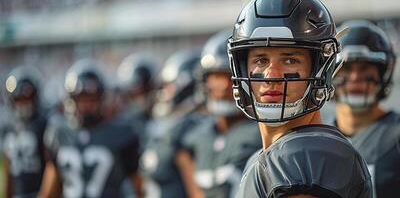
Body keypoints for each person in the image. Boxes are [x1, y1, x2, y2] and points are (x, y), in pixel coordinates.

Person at [227, 0, 372, 197]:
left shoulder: (306, 155)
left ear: (320, 68)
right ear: (242, 66)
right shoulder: (275, 154)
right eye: (261, 60)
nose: (272, 75)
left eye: (290, 60)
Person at [38, 59, 143, 198]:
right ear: (71, 99)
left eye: (92, 99)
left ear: (102, 99)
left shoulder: (122, 133)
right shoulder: (60, 132)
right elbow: (50, 188)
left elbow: (139, 187)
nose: (86, 105)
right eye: (81, 99)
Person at [176, 30, 262, 198]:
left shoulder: (262, 132)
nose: (223, 85)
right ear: (204, 81)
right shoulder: (194, 136)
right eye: (215, 76)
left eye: (230, 76)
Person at [333, 20, 400, 197]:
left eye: (365, 67)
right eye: (346, 67)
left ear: (383, 73)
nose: (355, 77)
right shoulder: (317, 137)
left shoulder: (396, 136)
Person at [140, 48, 203, 198]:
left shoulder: (189, 128)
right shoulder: (164, 126)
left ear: (187, 85)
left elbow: (196, 191)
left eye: (169, 85)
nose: (164, 91)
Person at [1, 66, 48, 198]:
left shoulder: (44, 124)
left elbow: (52, 168)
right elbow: (8, 166)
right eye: (18, 98)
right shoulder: (8, 126)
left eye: (26, 98)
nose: (23, 103)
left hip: (39, 192)